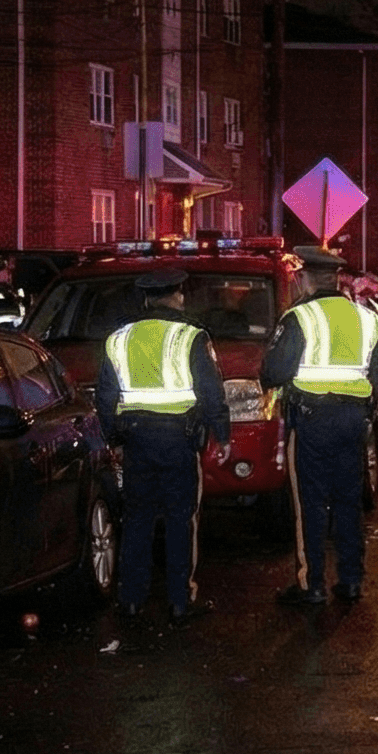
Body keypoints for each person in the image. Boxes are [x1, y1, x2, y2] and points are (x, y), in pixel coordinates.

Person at [93, 268, 231, 625]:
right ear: (177, 296)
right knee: (179, 521)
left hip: (136, 441)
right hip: (179, 440)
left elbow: (105, 396)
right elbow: (211, 390)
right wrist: (222, 433)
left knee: (137, 520)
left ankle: (131, 601)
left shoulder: (119, 339)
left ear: (146, 299)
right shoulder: (191, 336)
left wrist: (114, 440)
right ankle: (179, 601)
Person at [262, 253, 378, 605]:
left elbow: (273, 372)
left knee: (310, 503)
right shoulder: (368, 319)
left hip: (312, 421)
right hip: (353, 422)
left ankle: (311, 584)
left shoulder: (299, 317)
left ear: (306, 280)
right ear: (336, 279)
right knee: (349, 501)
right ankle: (351, 580)